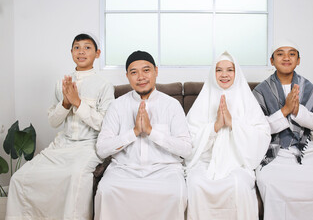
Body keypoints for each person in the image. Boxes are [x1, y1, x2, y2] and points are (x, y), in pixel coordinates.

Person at [6, 33, 114, 220]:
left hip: (88, 146)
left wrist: (78, 103)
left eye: (87, 47)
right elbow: (53, 122)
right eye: (77, 47)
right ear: (71, 52)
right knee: (20, 179)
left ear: (97, 53)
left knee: (75, 177)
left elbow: (105, 124)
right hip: (61, 145)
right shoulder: (61, 83)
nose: (81, 51)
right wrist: (65, 103)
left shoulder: (104, 85)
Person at [252, 40, 313, 220]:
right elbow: (258, 129)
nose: (286, 58)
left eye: (292, 54)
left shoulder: (307, 87)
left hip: (307, 149)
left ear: (298, 60)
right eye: (280, 53)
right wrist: (285, 111)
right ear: (272, 61)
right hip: (274, 151)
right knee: (274, 187)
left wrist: (298, 112)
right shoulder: (260, 91)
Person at [94, 51, 192, 220]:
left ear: (156, 71)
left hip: (164, 171)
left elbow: (186, 149)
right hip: (124, 171)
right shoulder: (117, 106)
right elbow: (102, 149)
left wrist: (151, 132)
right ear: (127, 76)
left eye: (146, 70)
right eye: (134, 72)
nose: (140, 77)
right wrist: (134, 132)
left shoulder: (171, 105)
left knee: (176, 193)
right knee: (106, 191)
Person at [185, 51, 271, 220]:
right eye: (219, 70)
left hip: (237, 163)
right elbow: (188, 138)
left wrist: (233, 124)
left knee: (239, 185)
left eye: (229, 70)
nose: (224, 74)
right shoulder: (204, 98)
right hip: (205, 162)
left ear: (236, 72)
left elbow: (262, 134)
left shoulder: (246, 98)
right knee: (196, 184)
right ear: (213, 73)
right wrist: (215, 127)